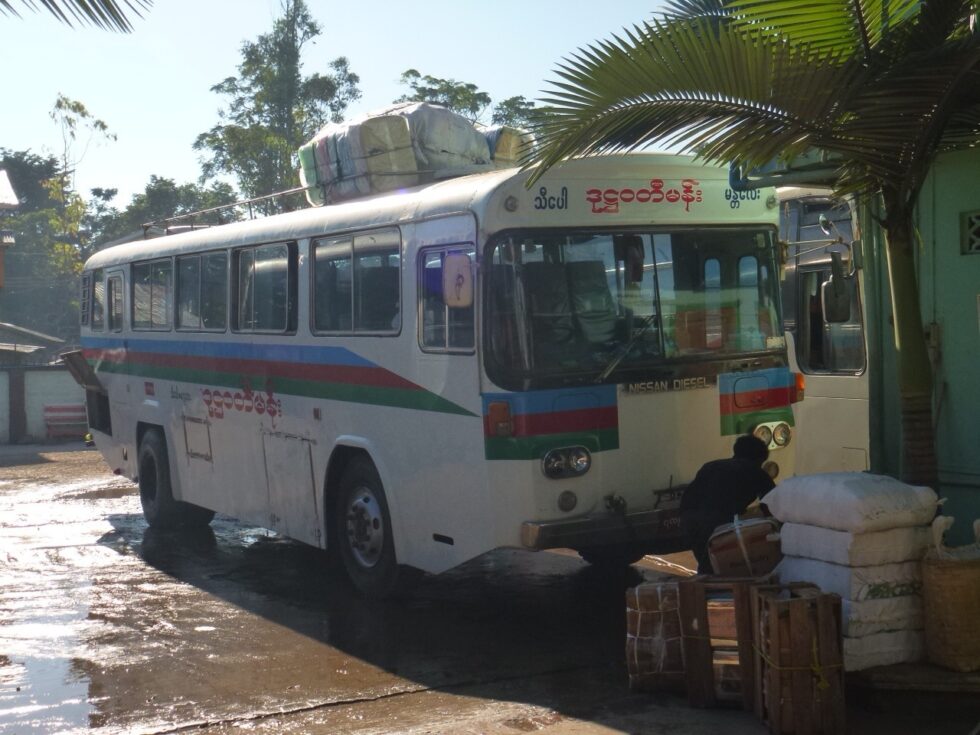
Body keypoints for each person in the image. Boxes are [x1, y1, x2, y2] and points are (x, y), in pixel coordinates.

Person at [680, 434, 775, 573]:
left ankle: (705, 585)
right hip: (715, 522)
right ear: (759, 459)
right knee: (720, 566)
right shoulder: (755, 471)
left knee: (709, 564)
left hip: (688, 519)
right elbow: (772, 504)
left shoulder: (710, 466)